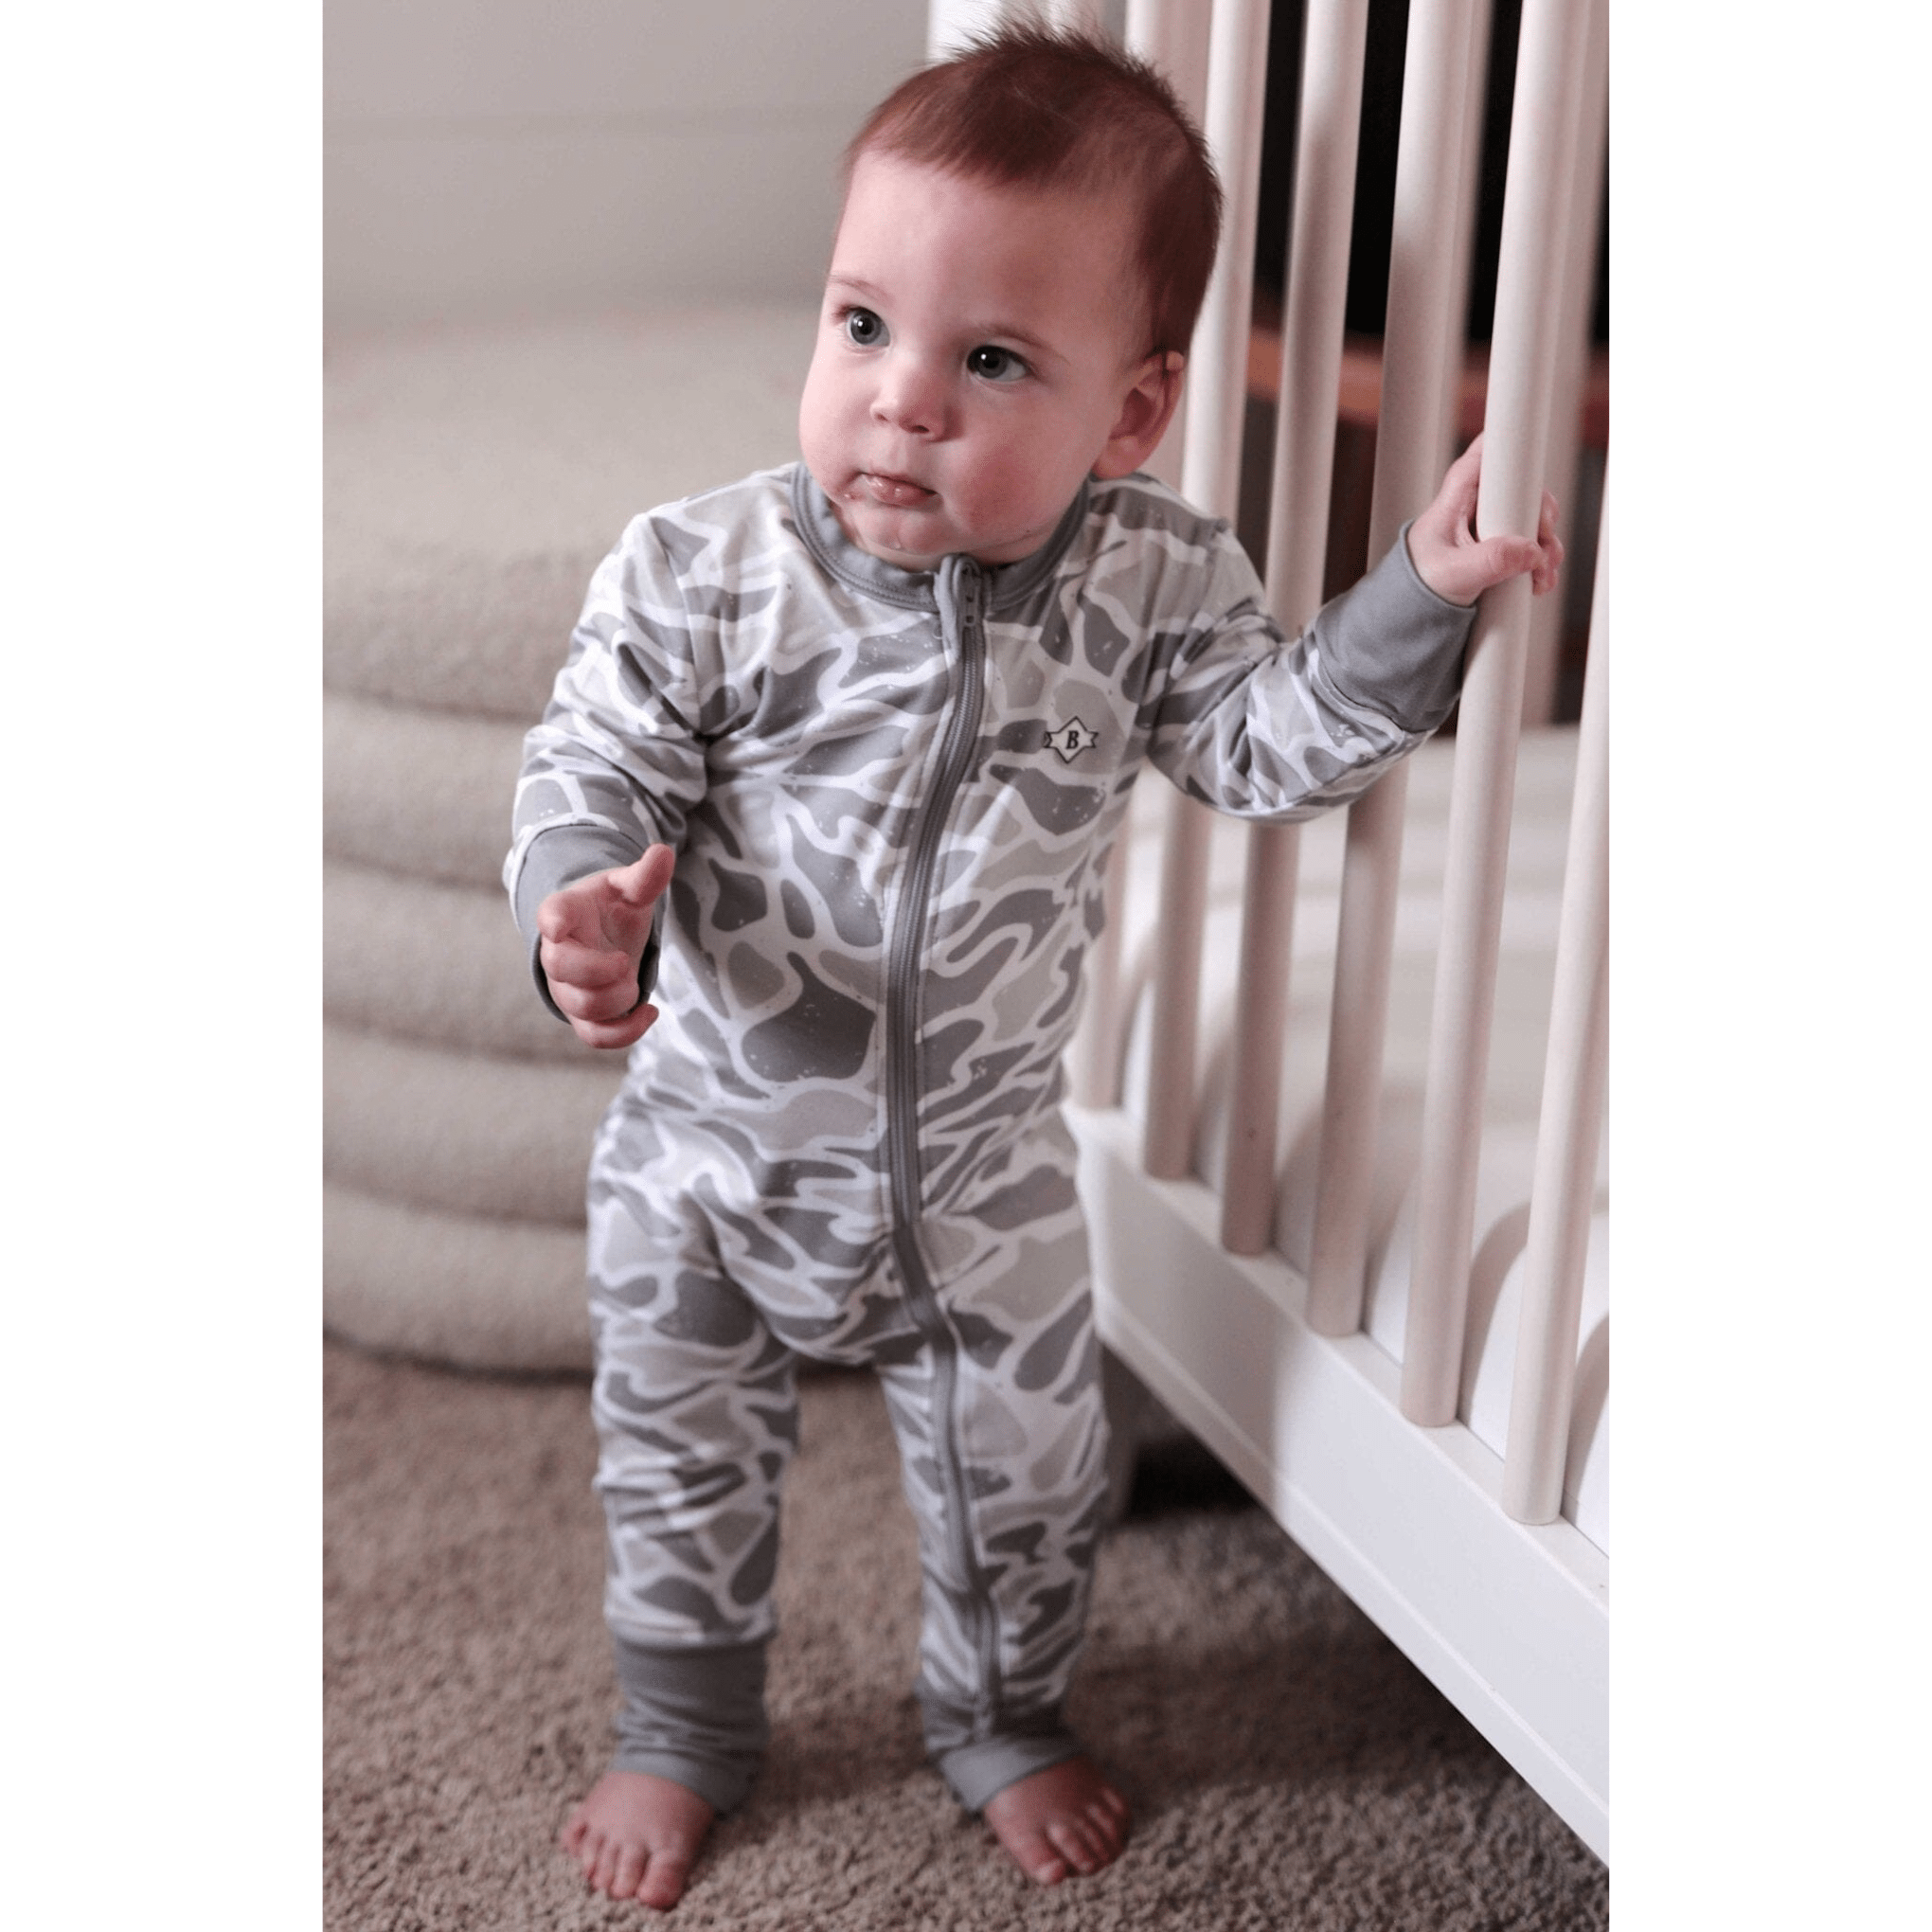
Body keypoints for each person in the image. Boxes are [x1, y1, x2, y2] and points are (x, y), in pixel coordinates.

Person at [505, 23, 1561, 1914]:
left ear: (1132, 414)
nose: (902, 401)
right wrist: (580, 899)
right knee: (677, 1468)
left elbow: (1267, 747)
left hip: (982, 1185)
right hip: (706, 1174)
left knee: (1031, 1476)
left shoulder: (1152, 587)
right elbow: (597, 756)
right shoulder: (705, 572)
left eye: (990, 361)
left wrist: (1420, 586)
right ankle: (683, 1725)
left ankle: (998, 1715)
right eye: (861, 326)